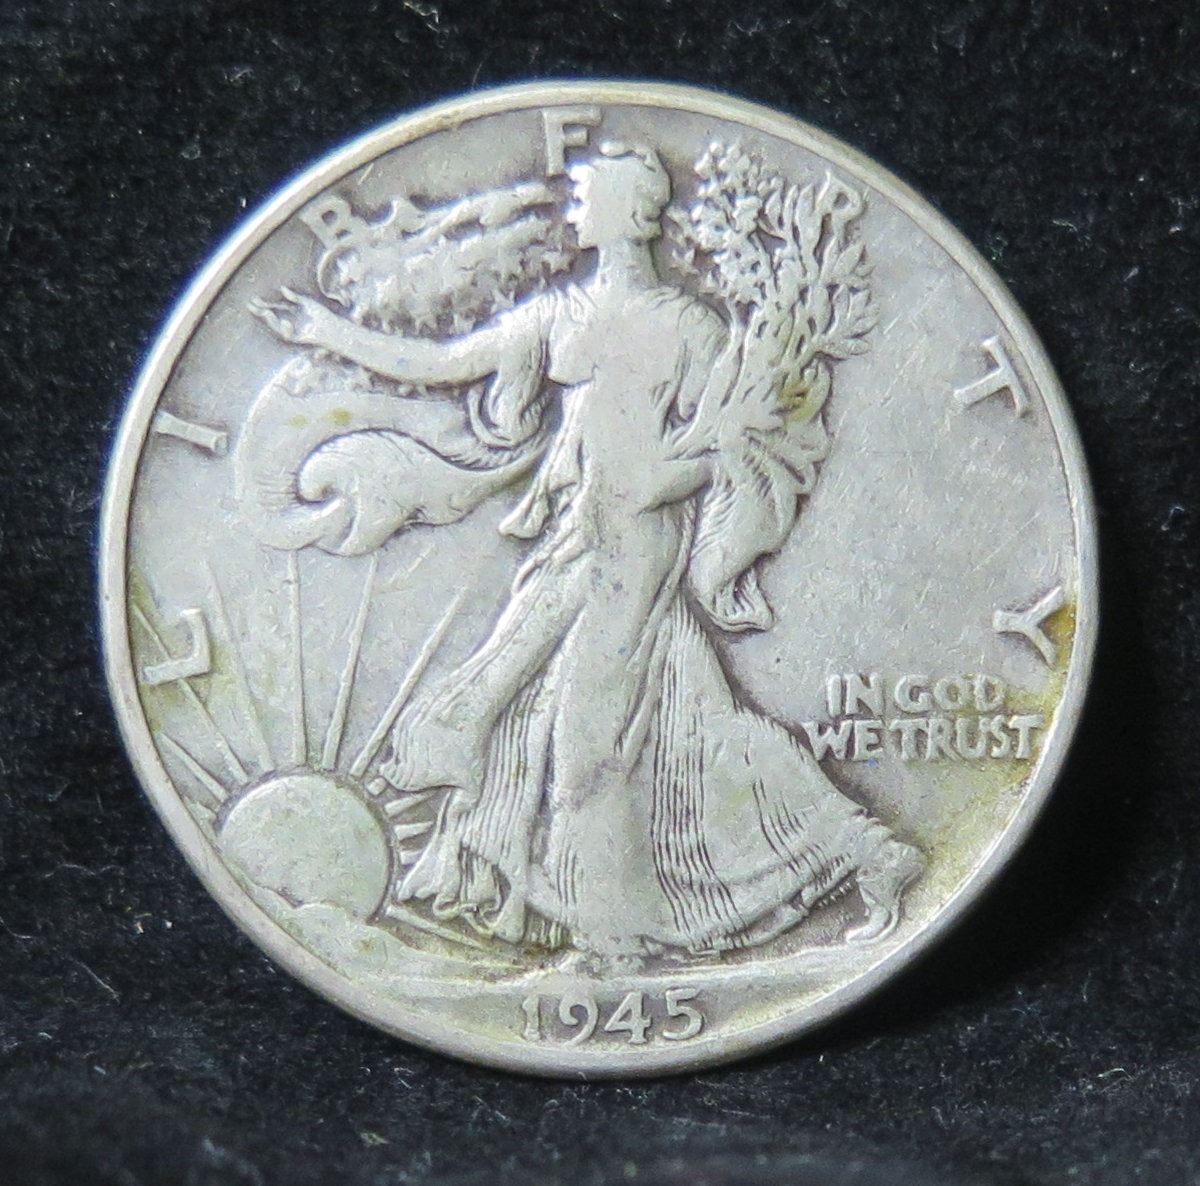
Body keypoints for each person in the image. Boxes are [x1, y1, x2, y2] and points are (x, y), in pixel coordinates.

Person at [253, 140, 922, 962]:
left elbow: (726, 443)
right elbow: (443, 365)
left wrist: (654, 483)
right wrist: (328, 332)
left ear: (633, 212)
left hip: (636, 543)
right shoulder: (558, 315)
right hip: (576, 535)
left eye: (588, 195)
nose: (574, 207)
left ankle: (610, 943)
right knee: (679, 717)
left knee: (584, 741)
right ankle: (864, 851)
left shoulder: (688, 325)